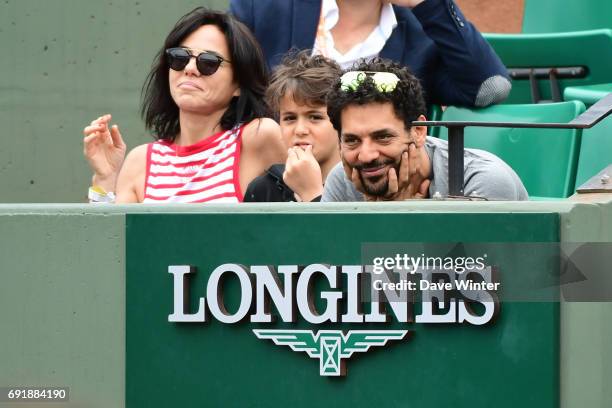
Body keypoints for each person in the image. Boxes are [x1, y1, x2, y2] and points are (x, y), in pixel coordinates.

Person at [82, 8, 286, 203]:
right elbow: (110, 238)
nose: (189, 68)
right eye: (180, 57)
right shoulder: (140, 161)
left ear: (239, 84)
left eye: (208, 62)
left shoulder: (258, 137)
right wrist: (105, 179)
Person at [230, 0, 511, 108]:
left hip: (371, 186)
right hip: (272, 179)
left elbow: (490, 88)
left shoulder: (420, 40)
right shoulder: (263, 9)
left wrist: (431, 4)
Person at [322, 58, 528, 202]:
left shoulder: (482, 180)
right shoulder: (343, 179)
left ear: (419, 131)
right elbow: (323, 263)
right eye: (352, 140)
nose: (366, 156)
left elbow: (472, 264)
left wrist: (404, 221)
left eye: (383, 137)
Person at [244, 51, 342, 202]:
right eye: (290, 118)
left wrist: (312, 193)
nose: (300, 130)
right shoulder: (263, 189)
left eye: (315, 117)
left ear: (341, 122)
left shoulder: (357, 187)